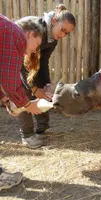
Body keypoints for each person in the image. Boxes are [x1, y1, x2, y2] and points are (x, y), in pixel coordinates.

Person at [17, 4, 76, 149]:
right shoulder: (35, 29)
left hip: (31, 63)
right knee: (23, 92)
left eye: (66, 33)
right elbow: (22, 66)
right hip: (17, 60)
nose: (63, 35)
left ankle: (42, 129)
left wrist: (46, 85)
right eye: (62, 30)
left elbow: (42, 62)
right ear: (54, 21)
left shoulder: (53, 38)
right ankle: (27, 135)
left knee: (44, 90)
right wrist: (34, 90)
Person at [0, 14, 44, 191]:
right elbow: (10, 81)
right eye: (37, 45)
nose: (33, 51)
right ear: (31, 34)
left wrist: (4, 99)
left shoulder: (6, 32)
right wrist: (28, 105)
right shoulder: (16, 34)